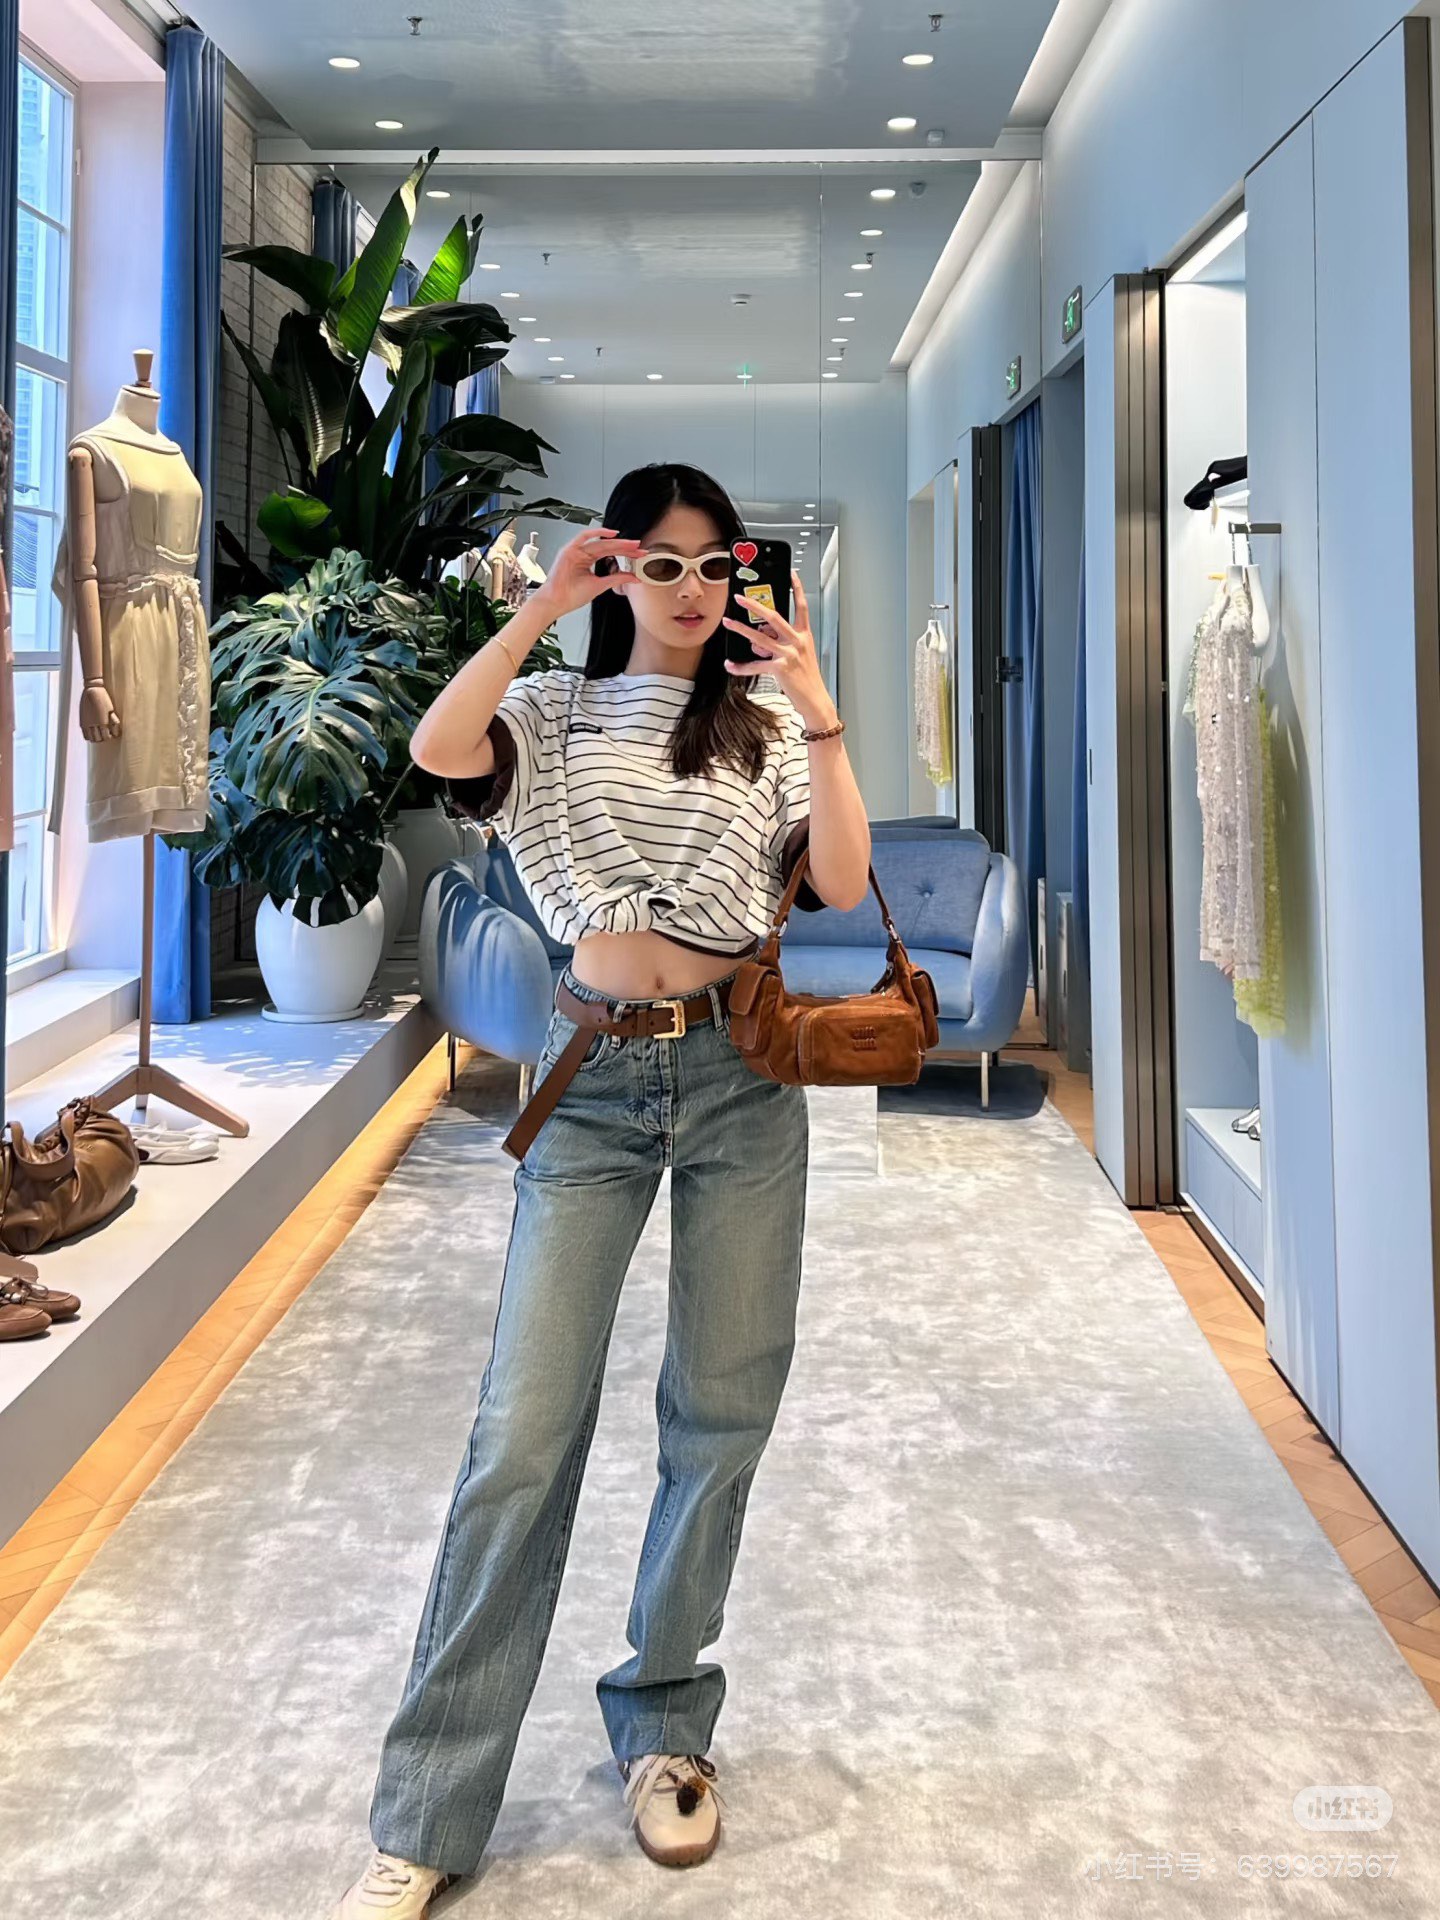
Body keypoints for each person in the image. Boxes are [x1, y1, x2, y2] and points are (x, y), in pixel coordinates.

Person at [331, 462, 871, 1918]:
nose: (690, 590)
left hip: (742, 1076)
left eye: (713, 565)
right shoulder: (553, 713)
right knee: (523, 1428)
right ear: (618, 569)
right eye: (660, 562)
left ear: (740, 578)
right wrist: (536, 613)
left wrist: (819, 712)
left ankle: (666, 1718)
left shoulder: (764, 725)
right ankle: (431, 1807)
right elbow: (441, 750)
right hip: (590, 1082)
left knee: (723, 1408)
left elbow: (838, 880)